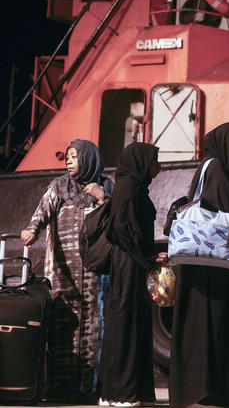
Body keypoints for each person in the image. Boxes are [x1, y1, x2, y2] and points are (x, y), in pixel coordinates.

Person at [21, 139, 113, 402]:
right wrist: (32, 230)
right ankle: (60, 388)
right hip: (63, 269)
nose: (69, 161)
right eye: (68, 157)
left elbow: (118, 217)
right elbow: (41, 214)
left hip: (94, 269)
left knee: (93, 323)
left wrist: (102, 197)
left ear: (88, 159)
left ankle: (88, 388)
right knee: (63, 322)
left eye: (75, 156)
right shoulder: (59, 187)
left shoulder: (105, 186)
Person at [168, 122, 229, 408]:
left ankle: (197, 387)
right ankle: (207, 389)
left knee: (198, 325)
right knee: (211, 325)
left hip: (201, 266)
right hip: (213, 269)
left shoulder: (210, 167)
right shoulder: (216, 170)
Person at [99, 142, 160, 407]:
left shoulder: (136, 187)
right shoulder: (128, 187)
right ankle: (119, 393)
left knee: (136, 322)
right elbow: (121, 229)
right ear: (140, 161)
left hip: (133, 263)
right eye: (154, 160)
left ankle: (135, 390)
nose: (158, 166)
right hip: (128, 265)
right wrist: (145, 258)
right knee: (125, 322)